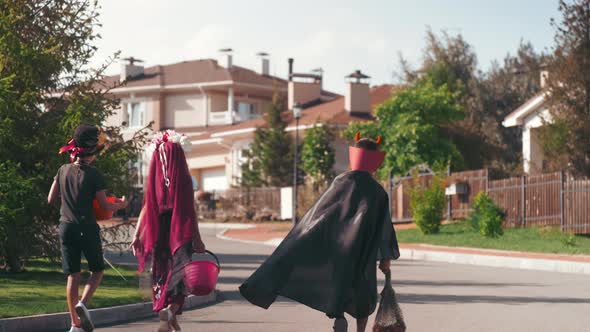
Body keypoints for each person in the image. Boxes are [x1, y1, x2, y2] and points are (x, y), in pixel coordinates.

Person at [239, 132, 400, 332]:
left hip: (337, 248)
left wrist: (305, 237)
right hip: (362, 252)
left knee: (339, 284)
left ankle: (339, 316)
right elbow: (383, 226)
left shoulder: (341, 181)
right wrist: (386, 258)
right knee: (363, 293)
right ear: (376, 161)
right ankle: (360, 330)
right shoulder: (377, 191)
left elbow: (321, 213)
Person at [48, 125, 128, 332]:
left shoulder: (62, 170)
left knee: (72, 275)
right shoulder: (93, 174)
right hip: (87, 227)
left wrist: (66, 207)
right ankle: (83, 303)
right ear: (92, 152)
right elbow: (104, 205)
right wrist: (121, 205)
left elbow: (50, 199)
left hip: (65, 226)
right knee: (97, 270)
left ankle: (75, 324)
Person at [131, 130, 206, 332]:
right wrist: (198, 239)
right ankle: (171, 310)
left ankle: (171, 320)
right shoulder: (185, 181)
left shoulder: (154, 182)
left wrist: (137, 234)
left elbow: (146, 207)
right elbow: (190, 211)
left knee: (162, 276)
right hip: (180, 235)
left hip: (158, 234)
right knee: (180, 278)